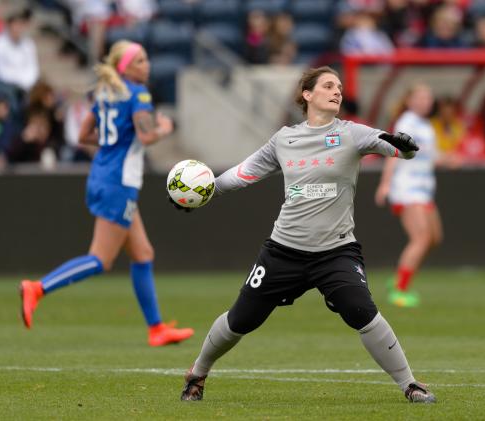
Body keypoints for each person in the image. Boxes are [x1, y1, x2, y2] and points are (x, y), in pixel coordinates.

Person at [175, 66, 436, 404]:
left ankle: (410, 385)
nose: (337, 91)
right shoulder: (284, 139)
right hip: (284, 250)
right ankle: (197, 374)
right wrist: (206, 191)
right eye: (328, 85)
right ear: (307, 95)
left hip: (336, 251)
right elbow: (243, 173)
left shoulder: (352, 133)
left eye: (339, 87)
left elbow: (397, 149)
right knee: (241, 319)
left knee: (363, 311)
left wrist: (406, 147)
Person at [19, 40, 194, 347]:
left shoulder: (104, 93)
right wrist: (165, 128)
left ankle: (156, 329)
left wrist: (114, 143)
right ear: (125, 67)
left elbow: (85, 134)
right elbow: (146, 135)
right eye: (140, 60)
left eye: (146, 58)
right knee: (100, 259)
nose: (147, 64)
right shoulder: (138, 94)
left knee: (143, 254)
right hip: (118, 183)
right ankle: (38, 288)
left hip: (102, 175)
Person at [374, 83, 442, 308]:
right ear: (409, 100)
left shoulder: (426, 125)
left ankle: (399, 278)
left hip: (424, 189)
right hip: (407, 188)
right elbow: (393, 153)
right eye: (420, 97)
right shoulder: (407, 122)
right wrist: (385, 184)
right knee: (420, 238)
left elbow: (430, 156)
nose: (425, 101)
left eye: (428, 98)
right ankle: (400, 290)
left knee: (433, 238)